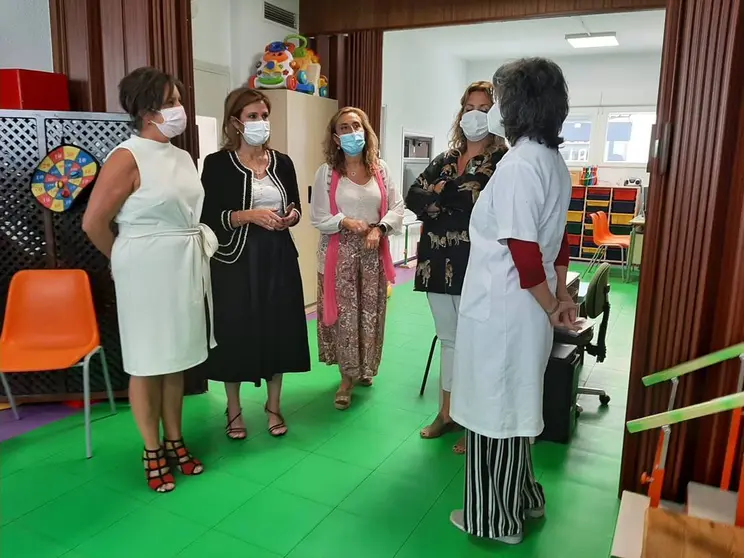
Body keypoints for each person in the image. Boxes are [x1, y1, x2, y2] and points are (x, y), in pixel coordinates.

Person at [448, 58, 577, 543]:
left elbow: (523, 250)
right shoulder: (551, 161)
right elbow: (558, 241)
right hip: (525, 309)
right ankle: (524, 498)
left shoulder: (520, 164)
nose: (494, 111)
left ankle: (495, 520)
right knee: (516, 409)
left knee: (492, 415)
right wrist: (558, 293)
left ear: (519, 106)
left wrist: (551, 303)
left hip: (506, 308)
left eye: (500, 101)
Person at [82, 67, 215, 493]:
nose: (179, 108)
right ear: (145, 110)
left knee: (175, 358)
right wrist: (122, 259)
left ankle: (175, 438)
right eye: (170, 101)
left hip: (182, 264)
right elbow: (93, 222)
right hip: (143, 269)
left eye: (179, 99)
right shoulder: (127, 156)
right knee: (146, 361)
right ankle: (152, 448)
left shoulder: (182, 157)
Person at [200, 87, 310, 439]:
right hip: (235, 261)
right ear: (235, 122)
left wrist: (291, 216)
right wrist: (247, 215)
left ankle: (273, 405)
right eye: (252, 116)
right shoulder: (217, 164)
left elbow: (295, 205)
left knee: (279, 328)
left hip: (278, 257)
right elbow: (207, 216)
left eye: (264, 116)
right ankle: (233, 409)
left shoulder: (283, 162)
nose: (260, 122)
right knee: (234, 330)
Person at [405, 81, 508, 455]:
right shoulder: (446, 158)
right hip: (435, 261)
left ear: (495, 115)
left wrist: (438, 196)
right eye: (469, 107)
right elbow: (412, 194)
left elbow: (472, 201)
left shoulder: (502, 160)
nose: (474, 115)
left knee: (474, 343)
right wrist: (447, 196)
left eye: (483, 108)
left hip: (476, 262)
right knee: (448, 339)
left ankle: (472, 420)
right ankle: (447, 412)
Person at [310, 107, 404, 410]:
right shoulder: (327, 173)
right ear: (336, 138)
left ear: (366, 131)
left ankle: (365, 367)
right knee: (346, 317)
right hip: (339, 254)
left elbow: (397, 206)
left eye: (356, 126)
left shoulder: (381, 169)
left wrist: (380, 228)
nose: (352, 132)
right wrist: (346, 221)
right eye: (344, 128)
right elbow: (318, 216)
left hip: (373, 253)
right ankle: (346, 378)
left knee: (370, 314)